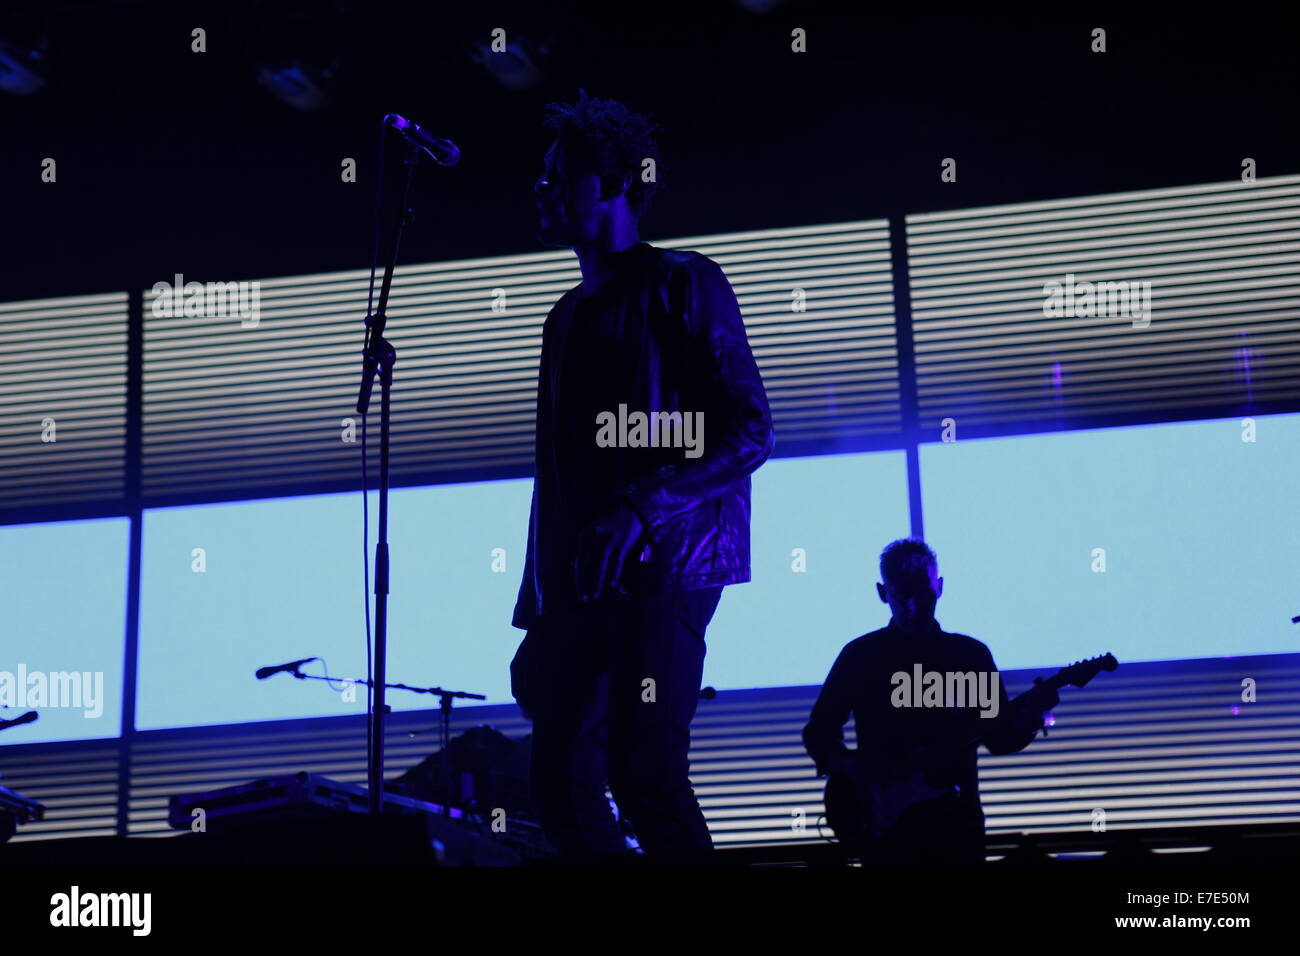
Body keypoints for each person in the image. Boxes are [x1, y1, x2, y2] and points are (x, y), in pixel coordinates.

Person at [509, 91, 774, 860]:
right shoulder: (565, 317)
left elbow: (750, 428)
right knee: (558, 780)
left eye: (561, 175)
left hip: (669, 566)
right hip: (582, 584)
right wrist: (541, 606)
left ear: (616, 184)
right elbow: (556, 479)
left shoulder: (685, 282)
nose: (542, 188)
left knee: (645, 769)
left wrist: (642, 507)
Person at [803, 538, 1056, 864]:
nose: (912, 606)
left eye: (921, 595)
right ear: (883, 594)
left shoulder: (961, 656)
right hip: (920, 828)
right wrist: (856, 767)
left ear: (938, 588)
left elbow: (997, 737)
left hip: (950, 825)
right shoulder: (868, 656)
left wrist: (1030, 718)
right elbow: (819, 734)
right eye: (901, 595)